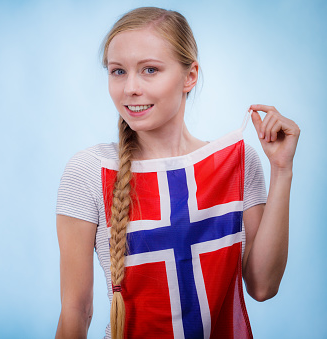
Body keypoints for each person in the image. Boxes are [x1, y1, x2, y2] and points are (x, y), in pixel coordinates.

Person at [55, 7, 299, 339]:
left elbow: (263, 285)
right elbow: (76, 311)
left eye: (150, 70)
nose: (130, 88)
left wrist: (281, 170)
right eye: (117, 72)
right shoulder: (89, 171)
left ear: (190, 76)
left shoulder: (237, 165)